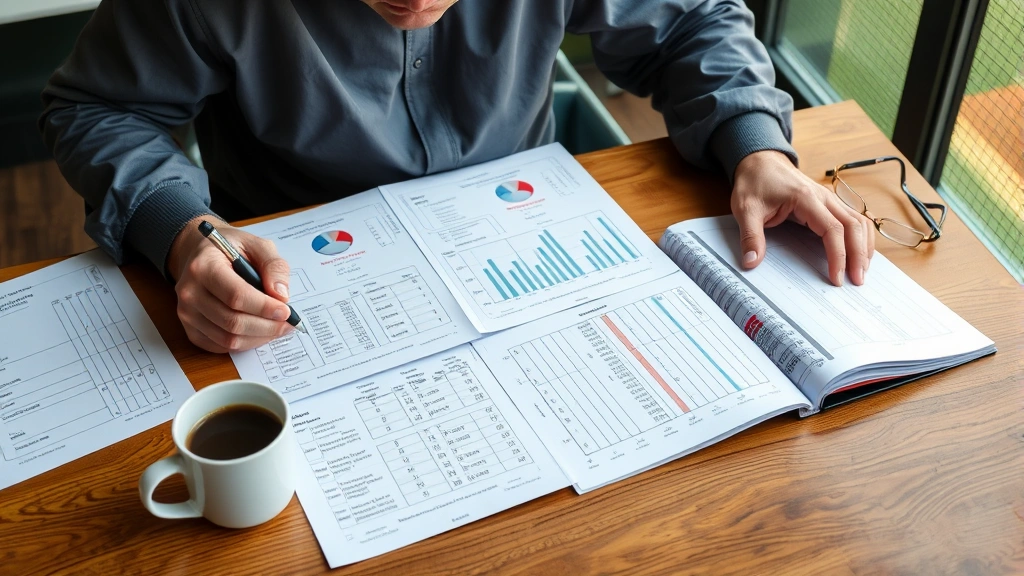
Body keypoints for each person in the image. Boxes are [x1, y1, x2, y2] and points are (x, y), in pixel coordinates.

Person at [40, 0, 874, 354]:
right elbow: (97, 109)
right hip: (294, 281)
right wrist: (184, 233)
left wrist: (755, 144)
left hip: (525, 244)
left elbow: (688, 18)